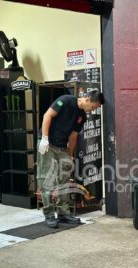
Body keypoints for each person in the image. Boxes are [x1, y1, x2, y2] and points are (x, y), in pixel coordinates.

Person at [37, 90, 104, 228]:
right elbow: (47, 115)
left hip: (63, 148)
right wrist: (44, 139)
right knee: (46, 179)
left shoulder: (82, 116)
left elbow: (73, 136)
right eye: (93, 106)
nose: (93, 109)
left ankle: (63, 213)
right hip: (48, 144)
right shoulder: (65, 100)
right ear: (86, 99)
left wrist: (70, 154)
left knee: (64, 180)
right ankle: (49, 215)